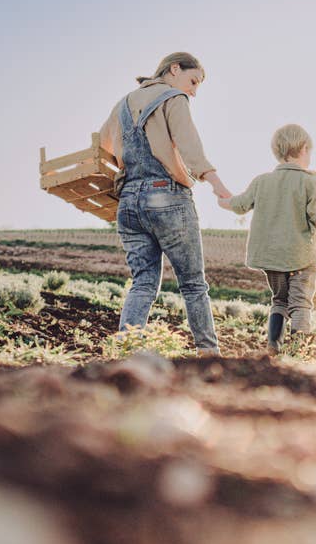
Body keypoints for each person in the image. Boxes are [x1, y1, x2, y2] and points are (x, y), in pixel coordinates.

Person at [98, 51, 233, 356]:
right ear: (174, 69)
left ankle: (127, 351)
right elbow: (190, 147)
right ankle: (209, 355)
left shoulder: (123, 104)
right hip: (166, 197)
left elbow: (103, 144)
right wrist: (217, 185)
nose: (194, 91)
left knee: (143, 282)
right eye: (193, 81)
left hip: (129, 202)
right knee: (194, 284)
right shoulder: (174, 98)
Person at [222, 124, 316, 354]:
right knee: (300, 302)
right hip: (300, 257)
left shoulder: (261, 181)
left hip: (271, 258)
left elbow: (239, 204)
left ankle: (274, 346)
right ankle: (299, 349)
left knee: (279, 300)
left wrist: (223, 200)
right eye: (309, 152)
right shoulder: (309, 182)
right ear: (304, 149)